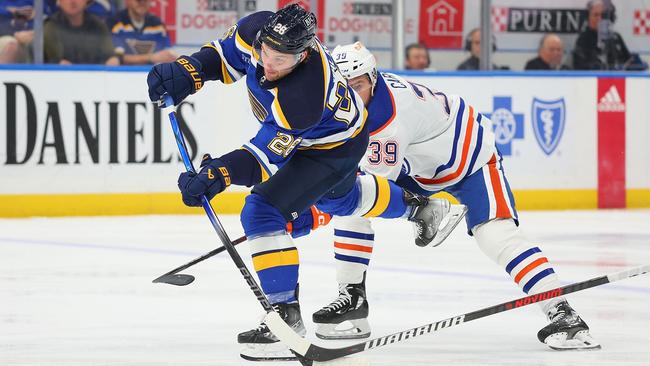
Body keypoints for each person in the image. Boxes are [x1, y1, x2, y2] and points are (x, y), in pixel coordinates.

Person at [146, 4, 461, 361]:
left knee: (262, 210)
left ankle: (286, 317)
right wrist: (187, 72)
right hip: (329, 135)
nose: (269, 64)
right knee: (338, 202)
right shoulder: (257, 29)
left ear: (304, 53)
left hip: (333, 147)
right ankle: (419, 207)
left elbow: (261, 160)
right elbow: (222, 57)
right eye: (267, 52)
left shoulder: (303, 97)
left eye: (282, 60)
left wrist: (219, 174)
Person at [309, 42, 600, 352]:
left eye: (359, 86)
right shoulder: (340, 108)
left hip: (468, 159)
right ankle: (353, 298)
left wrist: (306, 211)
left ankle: (562, 312)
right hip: (418, 164)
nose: (352, 97)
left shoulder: (386, 119)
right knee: (353, 203)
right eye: (345, 88)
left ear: (373, 79)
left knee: (496, 235)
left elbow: (368, 193)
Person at [44, 0, 118, 64]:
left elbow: (110, 55)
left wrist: (112, 60)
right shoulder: (51, 26)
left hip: (95, 76)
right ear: (60, 1)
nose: (72, 1)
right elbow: (56, 60)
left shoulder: (98, 26)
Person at [108, 0, 176, 65]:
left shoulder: (158, 25)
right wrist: (151, 58)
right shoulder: (115, 23)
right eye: (138, 0)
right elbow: (116, 58)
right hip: (123, 74)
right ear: (128, 1)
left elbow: (168, 55)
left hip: (153, 74)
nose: (142, 3)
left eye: (145, 0)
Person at [573, 0, 633, 70]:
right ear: (588, 17)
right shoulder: (583, 40)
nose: (599, 19)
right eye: (595, 15)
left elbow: (630, 62)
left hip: (618, 78)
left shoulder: (616, 37)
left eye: (603, 15)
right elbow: (580, 67)